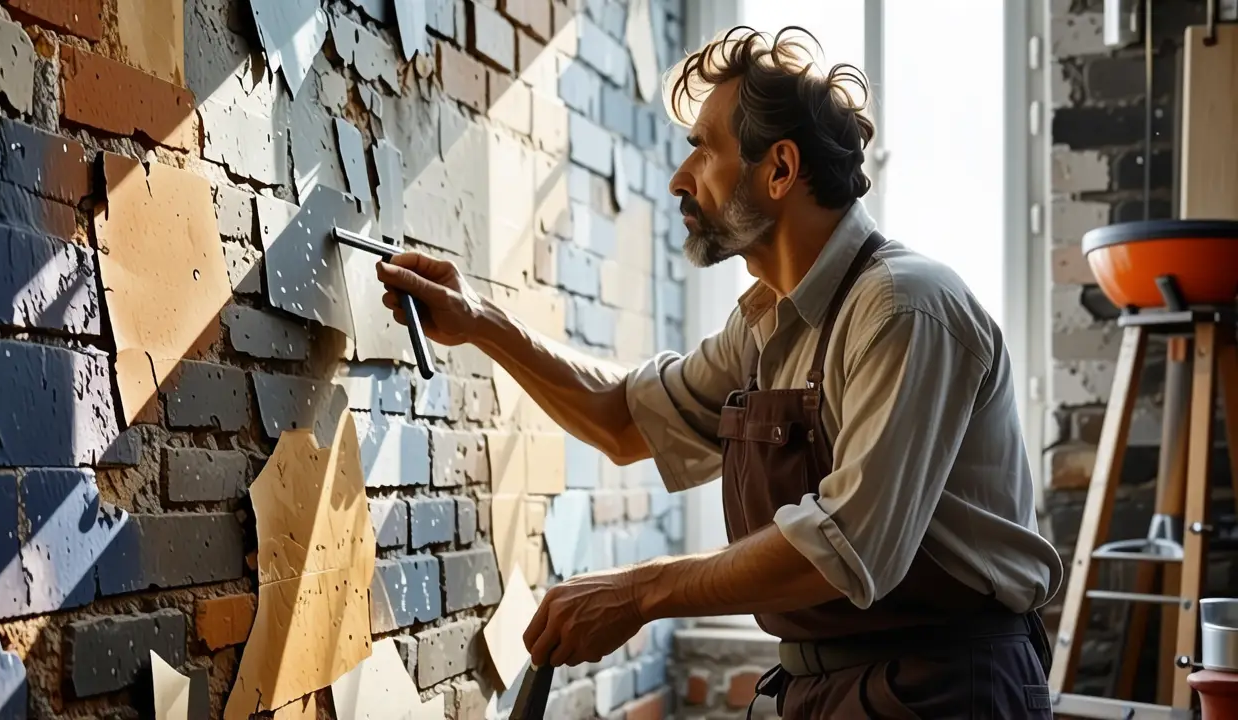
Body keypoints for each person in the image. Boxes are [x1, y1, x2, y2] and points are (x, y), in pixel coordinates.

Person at [377, 25, 1064, 719]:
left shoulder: (902, 308)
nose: (680, 179)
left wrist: (641, 591)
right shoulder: (764, 322)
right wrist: (479, 321)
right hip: (821, 687)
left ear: (780, 170)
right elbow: (623, 418)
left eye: (703, 149)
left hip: (945, 689)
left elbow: (846, 546)